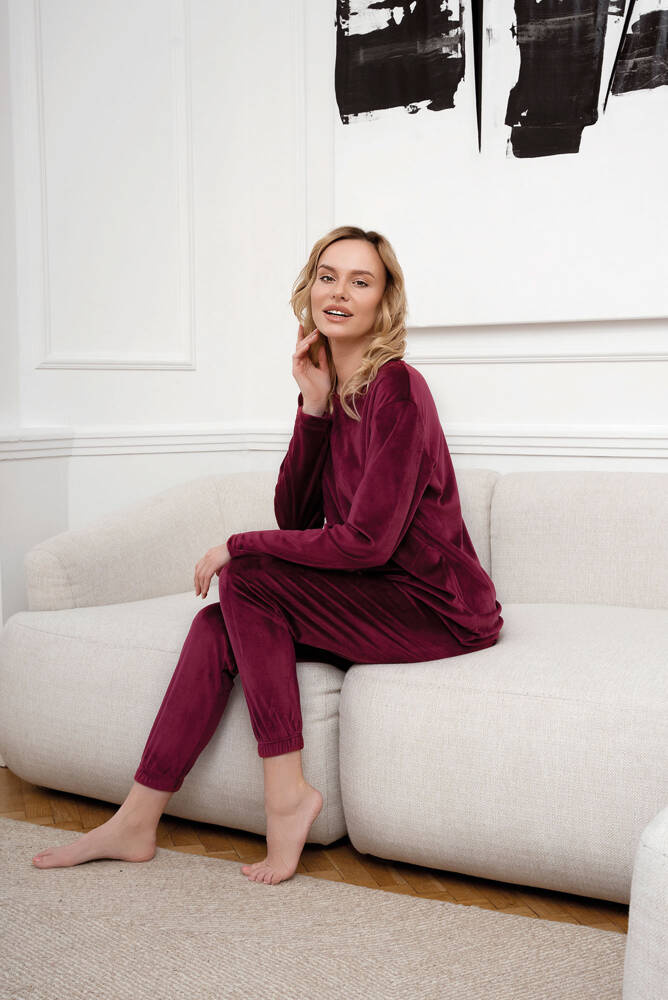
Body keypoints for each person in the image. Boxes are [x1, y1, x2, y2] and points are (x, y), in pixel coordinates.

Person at [31, 225, 503, 883]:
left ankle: (286, 795)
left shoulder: (398, 388)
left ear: (384, 302)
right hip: (373, 595)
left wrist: (236, 545)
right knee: (217, 624)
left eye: (360, 281)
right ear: (309, 288)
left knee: (247, 576)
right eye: (327, 276)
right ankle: (137, 818)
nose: (339, 293)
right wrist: (313, 410)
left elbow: (366, 542)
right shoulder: (333, 388)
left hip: (436, 608)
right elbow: (297, 519)